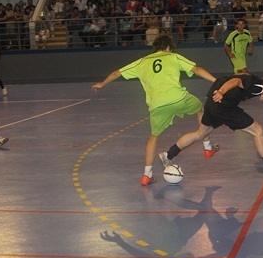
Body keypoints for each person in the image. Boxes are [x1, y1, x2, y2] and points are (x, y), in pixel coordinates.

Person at [92, 35, 219, 186]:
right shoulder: (173, 56)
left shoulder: (142, 61)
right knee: (200, 109)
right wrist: (216, 81)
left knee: (154, 137)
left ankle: (147, 175)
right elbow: (197, 70)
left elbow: (117, 73)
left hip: (157, 105)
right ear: (168, 48)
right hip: (178, 98)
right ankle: (207, 147)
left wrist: (102, 83)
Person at [158, 74, 263, 181]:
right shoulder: (258, 86)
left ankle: (168, 154)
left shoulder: (257, 85)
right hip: (222, 105)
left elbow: (238, 77)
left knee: (200, 133)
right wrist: (222, 92)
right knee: (257, 131)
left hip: (213, 104)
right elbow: (235, 81)